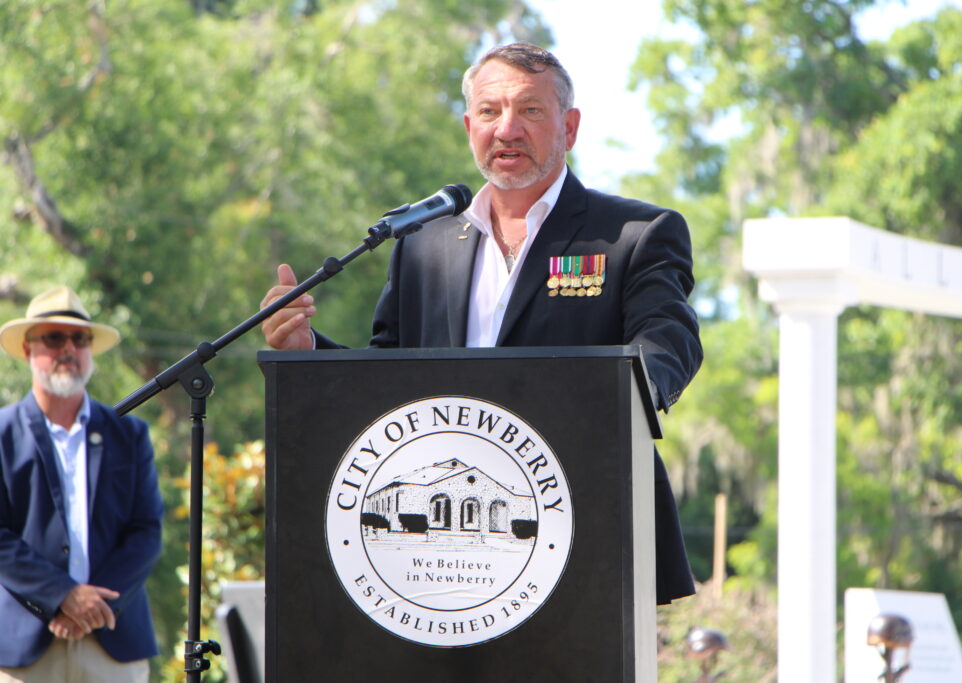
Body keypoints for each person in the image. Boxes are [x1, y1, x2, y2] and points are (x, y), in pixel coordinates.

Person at [260, 42, 703, 603]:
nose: (507, 129)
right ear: (470, 126)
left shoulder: (634, 233)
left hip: (587, 520)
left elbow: (668, 340)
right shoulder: (423, 243)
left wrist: (626, 392)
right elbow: (386, 377)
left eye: (531, 111)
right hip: (438, 561)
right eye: (490, 112)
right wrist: (307, 351)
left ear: (569, 127)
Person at [0, 286, 164, 682]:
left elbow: (147, 532)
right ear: (27, 349)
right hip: (24, 649)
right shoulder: (2, 434)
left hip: (112, 639)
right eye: (54, 338)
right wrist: (61, 596)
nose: (68, 348)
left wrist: (92, 605)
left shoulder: (129, 435)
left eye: (80, 338)